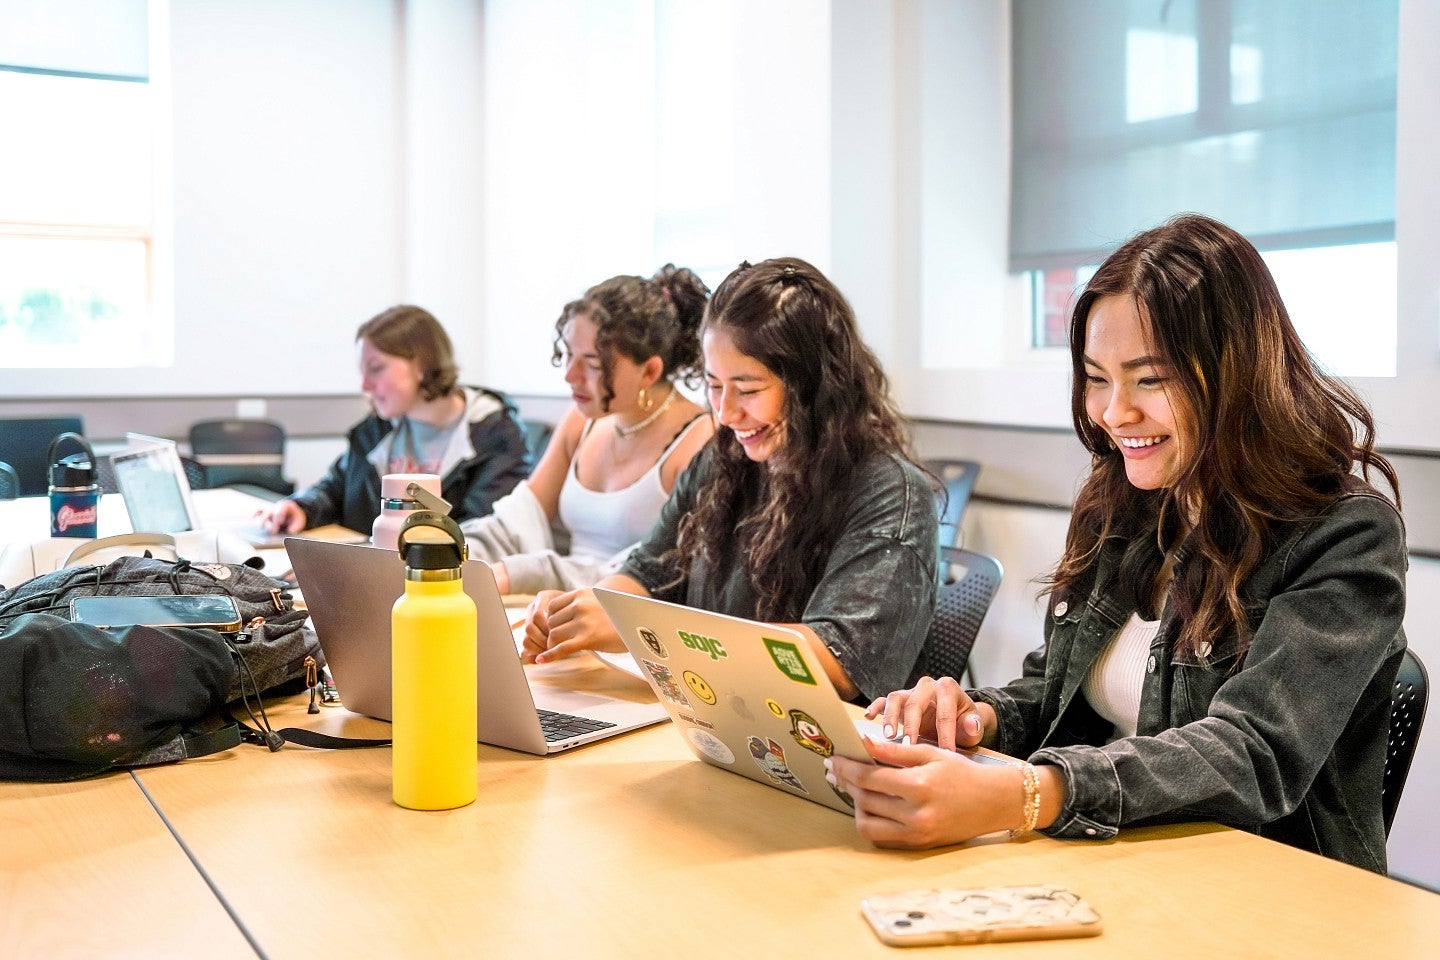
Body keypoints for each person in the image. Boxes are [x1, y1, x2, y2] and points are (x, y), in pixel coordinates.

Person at [828, 213, 1406, 874]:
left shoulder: (1346, 536)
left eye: (1150, 380)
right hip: (1117, 863)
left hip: (1264, 889)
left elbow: (1253, 754)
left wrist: (1028, 794)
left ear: (1238, 372)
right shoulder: (1128, 503)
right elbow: (1056, 691)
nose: (1112, 412)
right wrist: (972, 720)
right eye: (1097, 378)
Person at [520, 256, 938, 703]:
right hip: (720, 718)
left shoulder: (889, 491)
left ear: (815, 385)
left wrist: (641, 625)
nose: (725, 412)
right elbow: (646, 572)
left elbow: (839, 659)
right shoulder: (724, 460)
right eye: (714, 385)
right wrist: (595, 608)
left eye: (749, 389)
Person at [460, 265, 714, 594]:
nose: (570, 375)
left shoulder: (699, 440)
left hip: (625, 620)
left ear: (650, 371)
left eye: (593, 364)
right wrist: (452, 549)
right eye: (568, 354)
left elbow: (651, 572)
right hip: (553, 603)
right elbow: (517, 521)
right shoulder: (582, 421)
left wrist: (524, 572)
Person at [262, 305, 531, 535]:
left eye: (376, 369)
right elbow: (334, 489)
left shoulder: (496, 435)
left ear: (422, 365)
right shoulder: (377, 428)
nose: (365, 386)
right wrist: (300, 507)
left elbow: (481, 535)